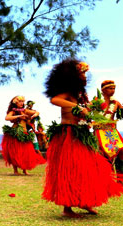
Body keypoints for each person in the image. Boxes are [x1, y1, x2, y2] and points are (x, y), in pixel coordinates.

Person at [42, 59, 121, 217]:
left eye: (85, 74)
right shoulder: (68, 93)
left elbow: (87, 111)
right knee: (70, 169)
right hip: (69, 135)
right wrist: (77, 107)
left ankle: (85, 201)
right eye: (82, 73)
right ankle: (67, 208)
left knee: (89, 168)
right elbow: (54, 100)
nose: (85, 76)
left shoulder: (81, 95)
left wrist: (91, 110)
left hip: (82, 134)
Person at [1, 96, 45, 175]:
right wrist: (19, 116)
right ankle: (15, 171)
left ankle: (25, 170)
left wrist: (34, 115)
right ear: (15, 103)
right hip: (16, 134)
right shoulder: (13, 111)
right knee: (15, 153)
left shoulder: (25, 110)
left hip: (25, 134)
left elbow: (37, 112)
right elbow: (7, 118)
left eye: (22, 101)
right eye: (20, 101)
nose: (22, 103)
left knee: (26, 153)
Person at [93, 80, 123, 166]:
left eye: (114, 88)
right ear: (103, 90)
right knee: (102, 156)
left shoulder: (116, 103)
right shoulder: (96, 102)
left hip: (112, 132)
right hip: (99, 132)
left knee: (120, 151)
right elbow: (86, 113)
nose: (113, 90)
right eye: (110, 88)